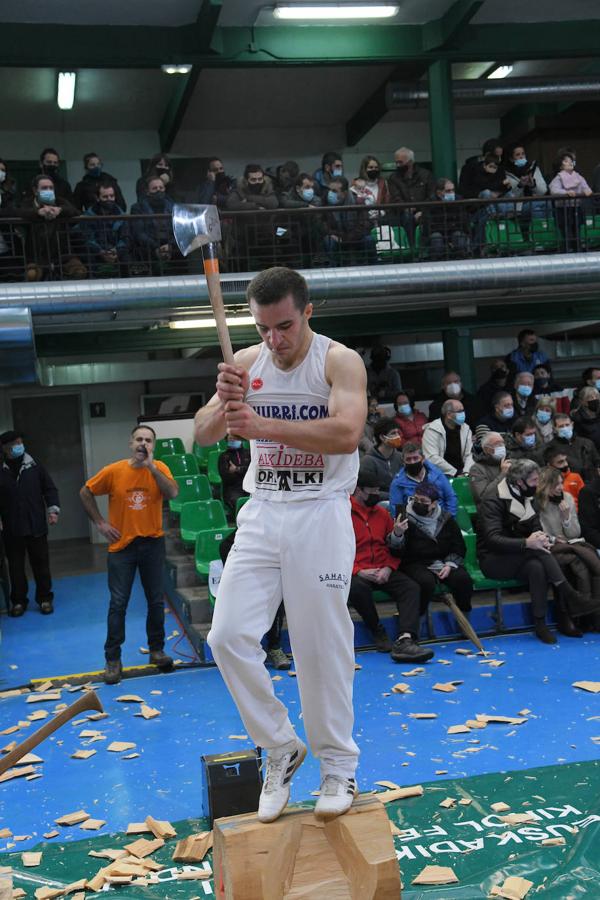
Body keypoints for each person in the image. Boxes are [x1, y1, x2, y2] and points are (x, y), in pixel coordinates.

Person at [194, 266, 367, 823]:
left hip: (321, 511)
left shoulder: (338, 361)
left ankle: (338, 764)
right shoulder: (248, 362)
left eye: (285, 326)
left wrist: (260, 423)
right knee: (226, 636)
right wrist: (224, 405)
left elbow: (345, 432)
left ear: (308, 311)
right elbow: (201, 433)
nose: (275, 340)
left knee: (321, 644)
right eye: (264, 328)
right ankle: (279, 747)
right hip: (264, 510)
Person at [79, 425, 178, 685]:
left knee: (156, 601)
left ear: (153, 446)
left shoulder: (160, 470)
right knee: (118, 604)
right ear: (130, 443)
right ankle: (113, 659)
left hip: (152, 544)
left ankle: (157, 651)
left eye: (148, 440)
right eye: (139, 439)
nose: (143, 444)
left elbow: (173, 493)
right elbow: (85, 491)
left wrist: (153, 468)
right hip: (122, 547)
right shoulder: (114, 471)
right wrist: (100, 522)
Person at [477, 459, 583, 643]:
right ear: (520, 482)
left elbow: (535, 527)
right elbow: (492, 539)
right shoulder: (492, 499)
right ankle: (569, 594)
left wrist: (543, 538)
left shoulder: (528, 495)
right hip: (493, 559)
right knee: (536, 554)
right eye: (534, 481)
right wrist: (527, 543)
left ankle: (540, 624)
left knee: (537, 567)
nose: (538, 485)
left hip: (521, 555)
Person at [348, 466, 433, 662]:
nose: (377, 495)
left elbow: (394, 549)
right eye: (373, 491)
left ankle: (406, 637)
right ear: (358, 490)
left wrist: (389, 566)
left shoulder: (382, 514)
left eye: (379, 490)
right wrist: (358, 571)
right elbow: (335, 550)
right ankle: (376, 629)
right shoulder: (343, 514)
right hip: (357, 570)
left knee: (410, 587)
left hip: (382, 566)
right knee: (357, 589)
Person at [0, 431, 60, 617]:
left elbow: (49, 488)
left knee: (41, 565)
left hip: (36, 525)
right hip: (11, 528)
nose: (19, 445)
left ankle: (44, 599)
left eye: (20, 442)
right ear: (5, 448)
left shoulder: (34, 465)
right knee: (16, 567)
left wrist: (53, 510)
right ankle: (18, 601)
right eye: (15, 443)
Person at [394, 482, 473, 616]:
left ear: (434, 504)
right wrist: (397, 534)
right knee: (425, 582)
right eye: (415, 499)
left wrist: (449, 564)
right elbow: (397, 551)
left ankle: (464, 613)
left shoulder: (446, 519)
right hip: (415, 562)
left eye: (423, 501)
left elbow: (458, 545)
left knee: (462, 579)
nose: (418, 503)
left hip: (443, 561)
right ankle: (415, 616)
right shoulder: (404, 518)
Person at [536, 466, 600, 631]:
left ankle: (590, 614)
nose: (560, 488)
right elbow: (539, 532)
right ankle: (570, 616)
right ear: (545, 486)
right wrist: (554, 538)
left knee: (585, 563)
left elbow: (575, 532)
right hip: (548, 547)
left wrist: (566, 518)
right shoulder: (536, 504)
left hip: (570, 544)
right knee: (573, 563)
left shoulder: (568, 499)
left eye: (560, 483)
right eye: (556, 484)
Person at [18, 174, 83, 281]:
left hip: (63, 255)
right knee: (31, 275)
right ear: (35, 191)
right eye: (44, 188)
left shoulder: (60, 201)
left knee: (79, 271)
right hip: (35, 256)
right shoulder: (27, 203)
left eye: (51, 188)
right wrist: (38, 212)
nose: (48, 190)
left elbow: (75, 211)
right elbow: (19, 212)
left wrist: (60, 210)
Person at [389, 443, 457, 518]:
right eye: (408, 459)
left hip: (441, 519)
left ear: (423, 458)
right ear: (403, 462)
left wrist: (449, 519)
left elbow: (451, 497)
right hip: (414, 523)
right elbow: (396, 511)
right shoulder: (397, 483)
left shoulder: (437, 474)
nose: (412, 462)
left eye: (415, 458)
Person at [130, 176, 179, 273]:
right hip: (148, 249)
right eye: (154, 188)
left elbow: (179, 230)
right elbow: (139, 233)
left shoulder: (174, 207)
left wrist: (170, 245)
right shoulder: (137, 208)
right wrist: (156, 247)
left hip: (172, 248)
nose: (158, 191)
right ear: (147, 191)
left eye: (161, 188)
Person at [322, 176, 376, 265]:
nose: (330, 193)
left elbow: (363, 225)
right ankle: (333, 270)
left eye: (334, 191)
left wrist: (345, 238)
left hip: (354, 237)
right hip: (337, 238)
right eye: (329, 190)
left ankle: (374, 270)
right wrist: (331, 234)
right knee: (328, 240)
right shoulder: (325, 203)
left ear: (345, 193)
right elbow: (323, 224)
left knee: (369, 240)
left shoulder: (357, 203)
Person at [387, 147, 435, 244]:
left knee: (427, 219)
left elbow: (431, 195)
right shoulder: (393, 178)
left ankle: (427, 250)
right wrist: (408, 208)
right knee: (407, 218)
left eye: (400, 162)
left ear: (410, 162)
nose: (397, 165)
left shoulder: (426, 175)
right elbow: (396, 198)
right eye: (396, 162)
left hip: (424, 210)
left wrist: (422, 210)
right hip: (403, 212)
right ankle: (412, 249)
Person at [83, 183, 129, 277]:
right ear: (97, 198)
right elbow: (88, 239)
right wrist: (101, 252)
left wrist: (116, 250)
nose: (109, 199)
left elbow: (126, 237)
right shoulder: (89, 216)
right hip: (96, 253)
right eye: (105, 197)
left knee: (129, 260)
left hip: (117, 252)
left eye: (112, 196)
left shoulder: (121, 215)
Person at [549, 155, 592, 252]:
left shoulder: (578, 176)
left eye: (570, 161)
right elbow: (554, 189)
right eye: (566, 161)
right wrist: (565, 193)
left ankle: (577, 248)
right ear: (560, 166)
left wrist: (587, 190)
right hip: (563, 209)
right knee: (566, 230)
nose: (570, 163)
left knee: (576, 229)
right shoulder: (559, 177)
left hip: (576, 207)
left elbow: (584, 185)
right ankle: (567, 249)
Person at [422, 399, 474, 477]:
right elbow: (432, 458)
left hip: (463, 472)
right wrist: (455, 473)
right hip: (440, 474)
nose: (463, 414)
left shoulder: (466, 429)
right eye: (459, 411)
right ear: (449, 415)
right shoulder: (432, 430)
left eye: (463, 410)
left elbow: (469, 454)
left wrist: (465, 472)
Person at [420, 178, 470, 259]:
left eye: (453, 190)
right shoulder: (430, 203)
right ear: (439, 193)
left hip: (454, 231)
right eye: (448, 191)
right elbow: (428, 226)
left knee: (459, 236)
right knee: (436, 238)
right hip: (437, 233)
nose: (452, 193)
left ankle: (461, 259)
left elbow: (463, 221)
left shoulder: (459, 200)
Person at [546, 413, 600, 483]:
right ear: (555, 429)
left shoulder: (586, 442)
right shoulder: (551, 448)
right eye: (561, 426)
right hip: (569, 484)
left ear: (572, 425)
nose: (565, 428)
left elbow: (597, 461)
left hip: (592, 482)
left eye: (567, 425)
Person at [503, 144, 548, 222]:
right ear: (511, 159)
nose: (521, 157)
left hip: (534, 202)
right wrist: (520, 185)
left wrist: (533, 185)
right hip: (517, 208)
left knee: (543, 206)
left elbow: (543, 191)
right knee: (542, 204)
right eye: (517, 155)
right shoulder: (507, 173)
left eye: (523, 154)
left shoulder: (533, 168)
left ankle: (542, 231)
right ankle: (544, 231)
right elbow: (508, 195)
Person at [360, 417, 403, 499]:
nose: (397, 436)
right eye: (393, 433)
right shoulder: (368, 462)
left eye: (398, 433)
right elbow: (368, 491)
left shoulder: (400, 457)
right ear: (382, 438)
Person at [469, 431, 510, 505]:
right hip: (490, 510)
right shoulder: (477, 469)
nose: (502, 447)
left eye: (503, 443)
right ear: (486, 449)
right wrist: (503, 474)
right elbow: (482, 496)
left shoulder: (509, 462)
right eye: (497, 444)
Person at [217, 438, 251, 511]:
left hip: (249, 486)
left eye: (234, 438)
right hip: (233, 489)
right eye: (230, 439)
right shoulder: (224, 457)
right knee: (241, 504)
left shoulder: (248, 454)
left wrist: (236, 469)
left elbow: (252, 471)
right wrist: (244, 471)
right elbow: (226, 477)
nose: (232, 440)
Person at [571, 386, 600, 452]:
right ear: (583, 401)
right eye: (590, 397)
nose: (594, 399)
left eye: (596, 396)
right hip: (591, 454)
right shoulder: (577, 418)